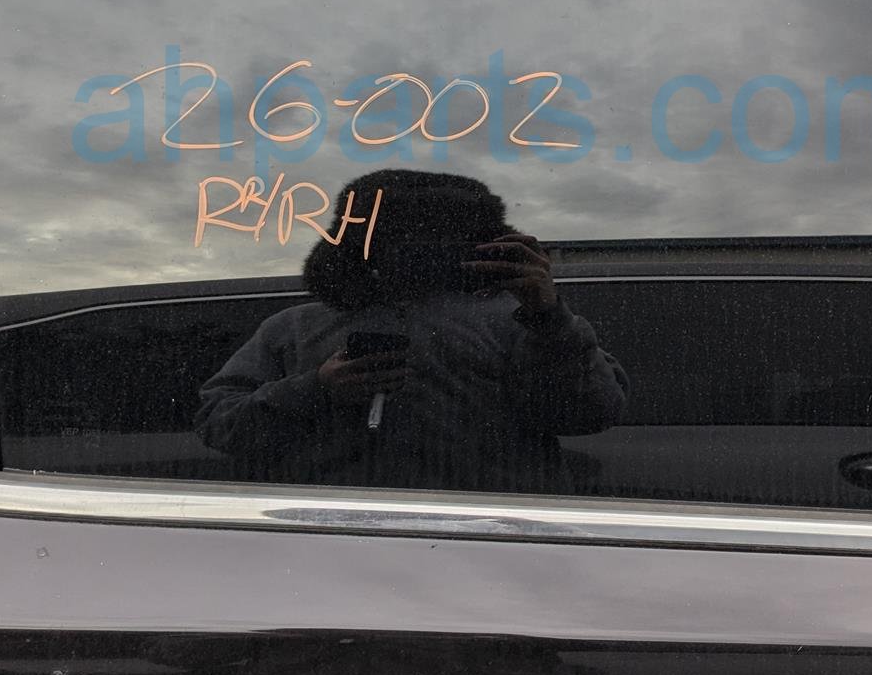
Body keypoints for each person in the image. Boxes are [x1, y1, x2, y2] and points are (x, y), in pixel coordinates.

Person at [195, 168, 628, 493]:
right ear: (359, 242)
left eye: (437, 235)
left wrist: (549, 318)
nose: (419, 249)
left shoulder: (521, 319)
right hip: (333, 541)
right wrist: (317, 390)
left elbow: (590, 415)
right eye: (399, 235)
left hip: (492, 544)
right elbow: (218, 424)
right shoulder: (293, 327)